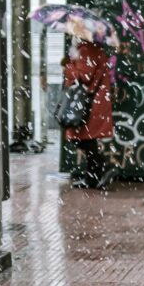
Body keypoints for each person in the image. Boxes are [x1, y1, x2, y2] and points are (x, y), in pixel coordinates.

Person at [62, 38, 116, 189]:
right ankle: (94, 175)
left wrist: (68, 65)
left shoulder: (87, 50)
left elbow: (83, 76)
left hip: (89, 103)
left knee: (83, 139)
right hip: (93, 101)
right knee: (85, 139)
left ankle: (103, 168)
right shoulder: (93, 49)